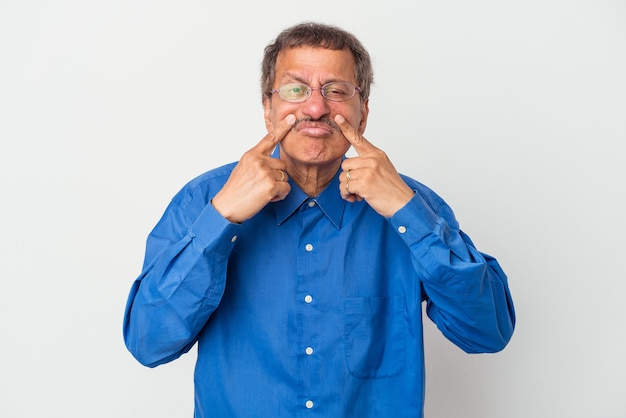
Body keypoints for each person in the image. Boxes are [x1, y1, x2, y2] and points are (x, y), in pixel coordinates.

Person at [123, 21, 515, 417]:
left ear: (362, 115)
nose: (315, 108)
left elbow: (488, 331)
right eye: (296, 89)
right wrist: (221, 218)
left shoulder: (413, 204)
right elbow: (149, 342)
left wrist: (407, 212)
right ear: (268, 109)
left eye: (337, 91)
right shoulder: (203, 200)